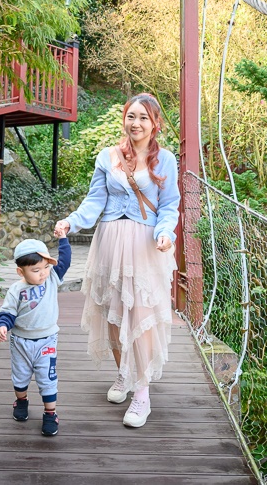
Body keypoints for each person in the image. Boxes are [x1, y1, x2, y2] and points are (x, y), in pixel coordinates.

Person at [55, 93, 179, 428]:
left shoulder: (164, 159)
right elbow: (94, 201)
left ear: (155, 124)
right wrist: (71, 221)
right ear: (124, 119)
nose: (136, 123)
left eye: (143, 118)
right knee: (111, 314)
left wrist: (166, 233)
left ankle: (143, 393)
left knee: (140, 316)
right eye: (131, 116)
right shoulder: (107, 157)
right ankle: (123, 374)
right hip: (109, 242)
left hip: (144, 246)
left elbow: (169, 206)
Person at [0, 236, 72, 437]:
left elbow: (65, 261)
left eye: (45, 267)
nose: (43, 273)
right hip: (20, 342)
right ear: (21, 271)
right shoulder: (16, 290)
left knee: (47, 377)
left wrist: (63, 239)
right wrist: (3, 326)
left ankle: (50, 413)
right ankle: (21, 401)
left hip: (47, 340)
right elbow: (7, 313)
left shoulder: (52, 277)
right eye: (36, 271)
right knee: (20, 376)